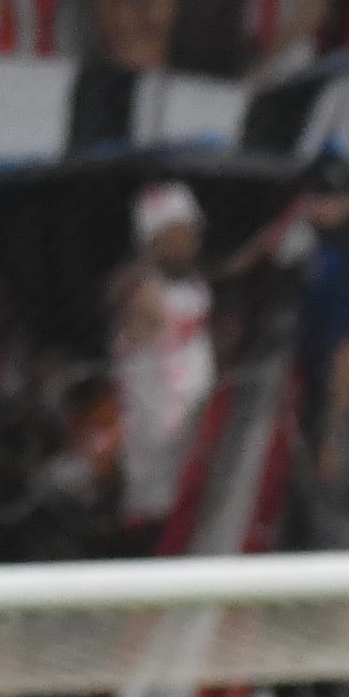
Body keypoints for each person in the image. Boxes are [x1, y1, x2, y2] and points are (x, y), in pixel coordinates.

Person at [111, 182, 220, 540]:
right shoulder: (143, 291)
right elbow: (120, 298)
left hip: (197, 432)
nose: (188, 241)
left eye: (191, 231)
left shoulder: (195, 287)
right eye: (176, 233)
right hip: (157, 440)